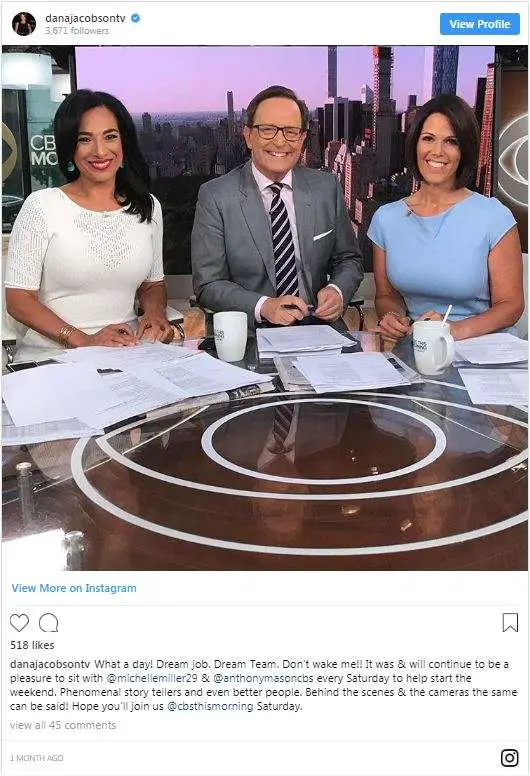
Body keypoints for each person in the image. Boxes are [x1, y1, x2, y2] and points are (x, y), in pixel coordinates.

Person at [6, 89, 174, 362]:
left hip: (127, 354)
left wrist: (154, 314)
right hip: (53, 358)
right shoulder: (42, 206)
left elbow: (152, 284)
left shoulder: (147, 206)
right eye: (85, 139)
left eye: (110, 136)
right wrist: (84, 341)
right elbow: (18, 300)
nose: (100, 151)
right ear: (70, 147)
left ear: (124, 142)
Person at [191, 85, 363, 327]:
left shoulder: (326, 188)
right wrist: (264, 306)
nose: (280, 141)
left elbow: (349, 259)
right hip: (250, 332)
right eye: (268, 130)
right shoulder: (216, 196)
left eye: (291, 131)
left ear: (302, 138)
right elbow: (208, 284)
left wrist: (337, 290)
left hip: (318, 327)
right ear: (248, 136)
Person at [368, 94, 523, 342]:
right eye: (428, 138)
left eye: (451, 141)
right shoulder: (386, 219)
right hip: (418, 346)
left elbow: (511, 306)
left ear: (464, 150)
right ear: (415, 144)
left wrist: (454, 330)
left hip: (482, 348)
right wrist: (392, 317)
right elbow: (387, 296)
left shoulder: (494, 216)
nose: (437, 151)